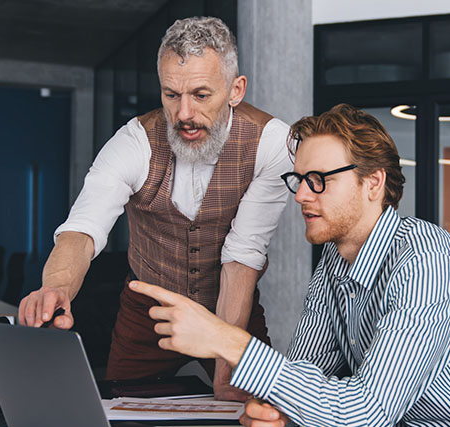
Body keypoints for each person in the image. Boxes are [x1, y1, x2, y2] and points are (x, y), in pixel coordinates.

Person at [127, 104, 450, 427]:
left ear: (373, 183)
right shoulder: (334, 260)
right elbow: (310, 371)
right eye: (298, 179)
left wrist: (226, 339)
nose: (301, 195)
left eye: (318, 179)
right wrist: (278, 412)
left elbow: (359, 420)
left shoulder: (426, 260)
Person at [17, 17, 292, 401]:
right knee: (120, 412)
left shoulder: (272, 143)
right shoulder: (133, 142)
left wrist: (226, 369)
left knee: (251, 413)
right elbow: (83, 227)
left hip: (232, 309)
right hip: (145, 313)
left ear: (235, 90)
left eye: (201, 95)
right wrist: (56, 286)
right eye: (171, 95)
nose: (183, 114)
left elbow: (243, 256)